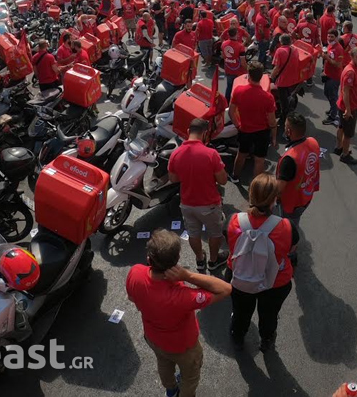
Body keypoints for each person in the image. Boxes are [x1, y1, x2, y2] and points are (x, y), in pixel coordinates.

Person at [126, 229, 232, 397]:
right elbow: (225, 289)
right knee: (190, 377)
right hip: (183, 346)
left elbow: (132, 298)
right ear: (176, 262)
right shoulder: (182, 297)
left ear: (149, 259)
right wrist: (188, 275)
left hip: (153, 338)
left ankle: (171, 389)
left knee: (163, 363)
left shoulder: (135, 273)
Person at [226, 174, 295, 352]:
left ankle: (238, 336)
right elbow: (292, 249)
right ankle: (267, 340)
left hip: (240, 278)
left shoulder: (234, 220)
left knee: (241, 312)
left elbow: (229, 244)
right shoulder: (286, 226)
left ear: (251, 196)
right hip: (274, 283)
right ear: (274, 200)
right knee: (269, 315)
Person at [168, 119, 229, 273]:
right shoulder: (211, 154)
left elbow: (173, 179)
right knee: (215, 233)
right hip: (209, 204)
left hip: (187, 204)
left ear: (188, 131)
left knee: (193, 233)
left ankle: (200, 260)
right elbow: (223, 180)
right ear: (204, 133)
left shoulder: (175, 154)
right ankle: (213, 261)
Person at [229, 62, 277, 183]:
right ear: (261, 77)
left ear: (248, 75)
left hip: (244, 129)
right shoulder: (268, 97)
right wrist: (274, 136)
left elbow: (231, 111)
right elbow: (272, 120)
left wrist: (237, 125)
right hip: (262, 132)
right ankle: (256, 185)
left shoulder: (238, 91)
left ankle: (235, 176)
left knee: (241, 154)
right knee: (259, 160)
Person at [335, 47, 357, 166]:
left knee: (341, 127)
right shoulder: (351, 71)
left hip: (343, 105)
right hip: (348, 108)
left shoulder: (353, 69)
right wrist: (348, 110)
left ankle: (338, 148)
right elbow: (345, 91)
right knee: (348, 134)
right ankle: (345, 155)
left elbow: (353, 88)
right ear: (352, 57)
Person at [270, 34, 300, 126]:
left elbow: (276, 67)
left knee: (284, 104)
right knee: (289, 97)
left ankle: (284, 120)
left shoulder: (280, 51)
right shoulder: (295, 49)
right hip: (293, 79)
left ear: (281, 42)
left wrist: (271, 77)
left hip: (283, 81)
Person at [322, 28, 345, 125]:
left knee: (332, 96)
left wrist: (326, 57)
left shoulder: (338, 49)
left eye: (332, 37)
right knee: (327, 93)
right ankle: (333, 108)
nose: (330, 38)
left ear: (336, 37)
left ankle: (333, 115)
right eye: (328, 36)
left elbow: (338, 65)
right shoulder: (330, 46)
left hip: (334, 77)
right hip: (328, 74)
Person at [222, 27, 248, 102]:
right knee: (239, 89)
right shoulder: (240, 46)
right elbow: (243, 62)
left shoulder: (224, 44)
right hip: (239, 72)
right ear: (237, 34)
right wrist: (247, 70)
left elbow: (223, 56)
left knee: (229, 87)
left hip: (228, 69)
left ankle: (226, 102)